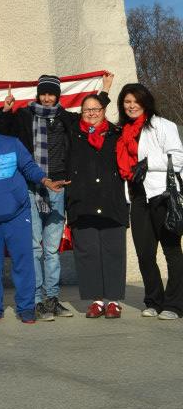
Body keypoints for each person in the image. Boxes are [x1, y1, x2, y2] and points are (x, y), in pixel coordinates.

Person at [0, 72, 113, 320]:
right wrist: (5, 112)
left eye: (52, 94)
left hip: (59, 189)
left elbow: (91, 117)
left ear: (57, 96)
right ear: (38, 93)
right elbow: (3, 135)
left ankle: (53, 298)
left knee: (51, 249)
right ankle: (37, 300)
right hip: (31, 188)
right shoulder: (24, 116)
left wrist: (105, 91)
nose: (47, 98)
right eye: (44, 93)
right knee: (35, 248)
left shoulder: (65, 119)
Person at [0, 107, 68, 324]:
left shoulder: (11, 143)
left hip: (18, 213)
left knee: (23, 262)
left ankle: (26, 307)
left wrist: (45, 181)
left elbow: (28, 167)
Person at [117, 83, 183, 319]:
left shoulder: (162, 125)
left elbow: (177, 158)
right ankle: (154, 300)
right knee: (145, 253)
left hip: (161, 195)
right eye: (127, 101)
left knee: (171, 250)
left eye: (136, 101)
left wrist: (146, 164)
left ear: (145, 102)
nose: (131, 105)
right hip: (137, 196)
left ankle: (175, 304)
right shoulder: (123, 131)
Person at [66, 94, 127, 318]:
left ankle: (113, 302)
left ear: (104, 110)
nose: (92, 113)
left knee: (113, 253)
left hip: (113, 203)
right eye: (87, 110)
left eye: (96, 109)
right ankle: (97, 301)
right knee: (88, 254)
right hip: (82, 204)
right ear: (80, 113)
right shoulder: (73, 133)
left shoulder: (117, 133)